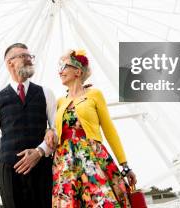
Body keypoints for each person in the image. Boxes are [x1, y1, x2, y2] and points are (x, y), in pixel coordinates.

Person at [46, 49, 137, 207]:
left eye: (63, 66)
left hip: (92, 156)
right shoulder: (60, 101)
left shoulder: (94, 95)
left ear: (78, 71)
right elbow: (53, 129)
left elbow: (109, 130)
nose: (59, 71)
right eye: (59, 67)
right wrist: (49, 131)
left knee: (101, 201)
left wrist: (125, 165)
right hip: (65, 160)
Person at [0, 43, 56, 208]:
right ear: (9, 63)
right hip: (9, 173)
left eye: (30, 56)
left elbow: (57, 131)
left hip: (42, 170)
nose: (29, 59)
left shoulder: (46, 93)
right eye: (23, 56)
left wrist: (39, 151)